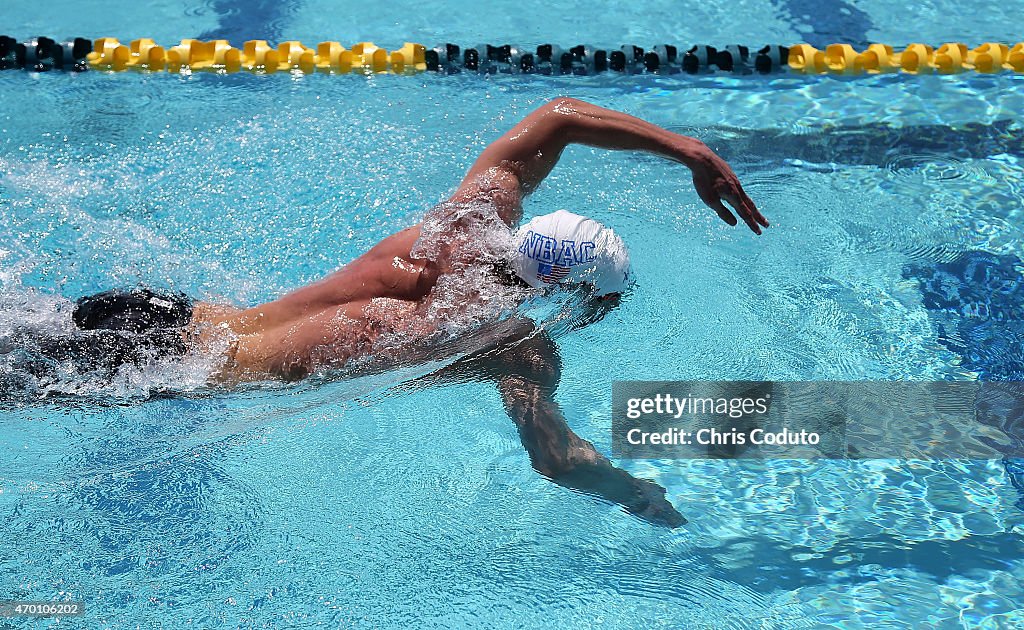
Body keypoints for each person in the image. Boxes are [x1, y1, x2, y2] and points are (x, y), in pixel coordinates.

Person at [49, 97, 767, 527]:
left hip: (166, 316)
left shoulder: (469, 219)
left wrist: (686, 149)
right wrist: (637, 493)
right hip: (166, 374)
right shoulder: (516, 346)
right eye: (597, 303)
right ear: (566, 291)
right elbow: (557, 460)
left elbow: (559, 118)